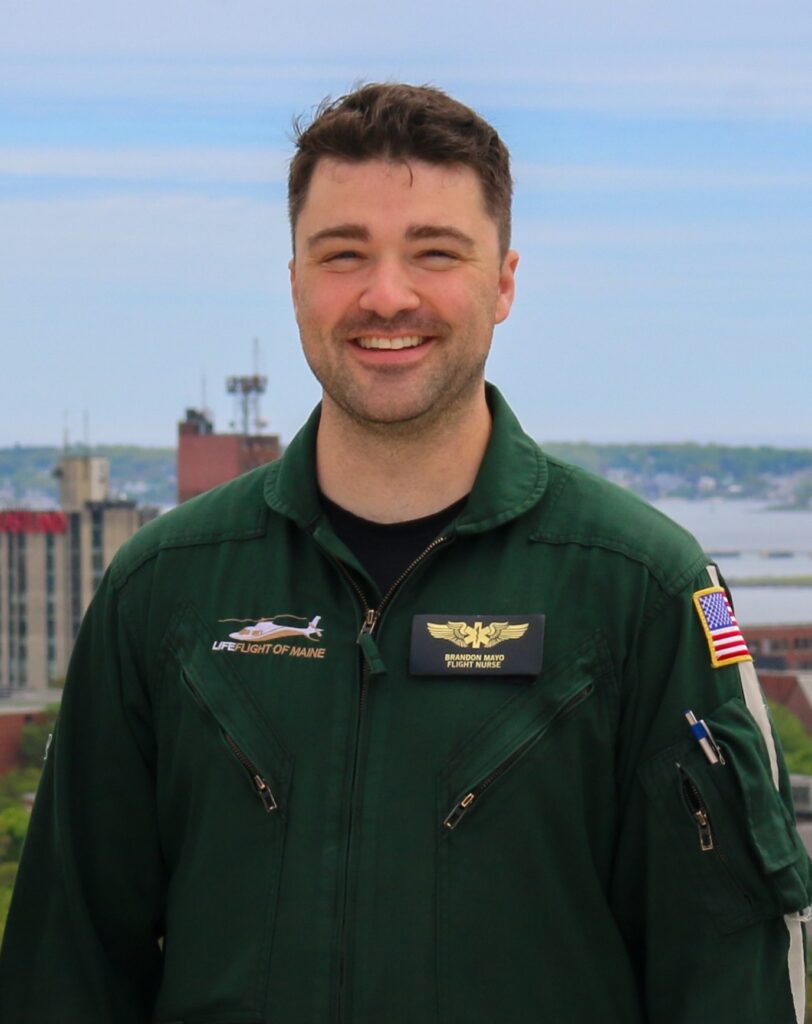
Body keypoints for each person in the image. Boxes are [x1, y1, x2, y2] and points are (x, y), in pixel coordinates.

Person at [0, 83, 809, 1024]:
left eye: (436, 252)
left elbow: (729, 978)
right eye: (343, 254)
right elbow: (66, 971)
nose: (387, 295)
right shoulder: (163, 589)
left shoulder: (642, 588)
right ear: (295, 281)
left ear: (503, 283)